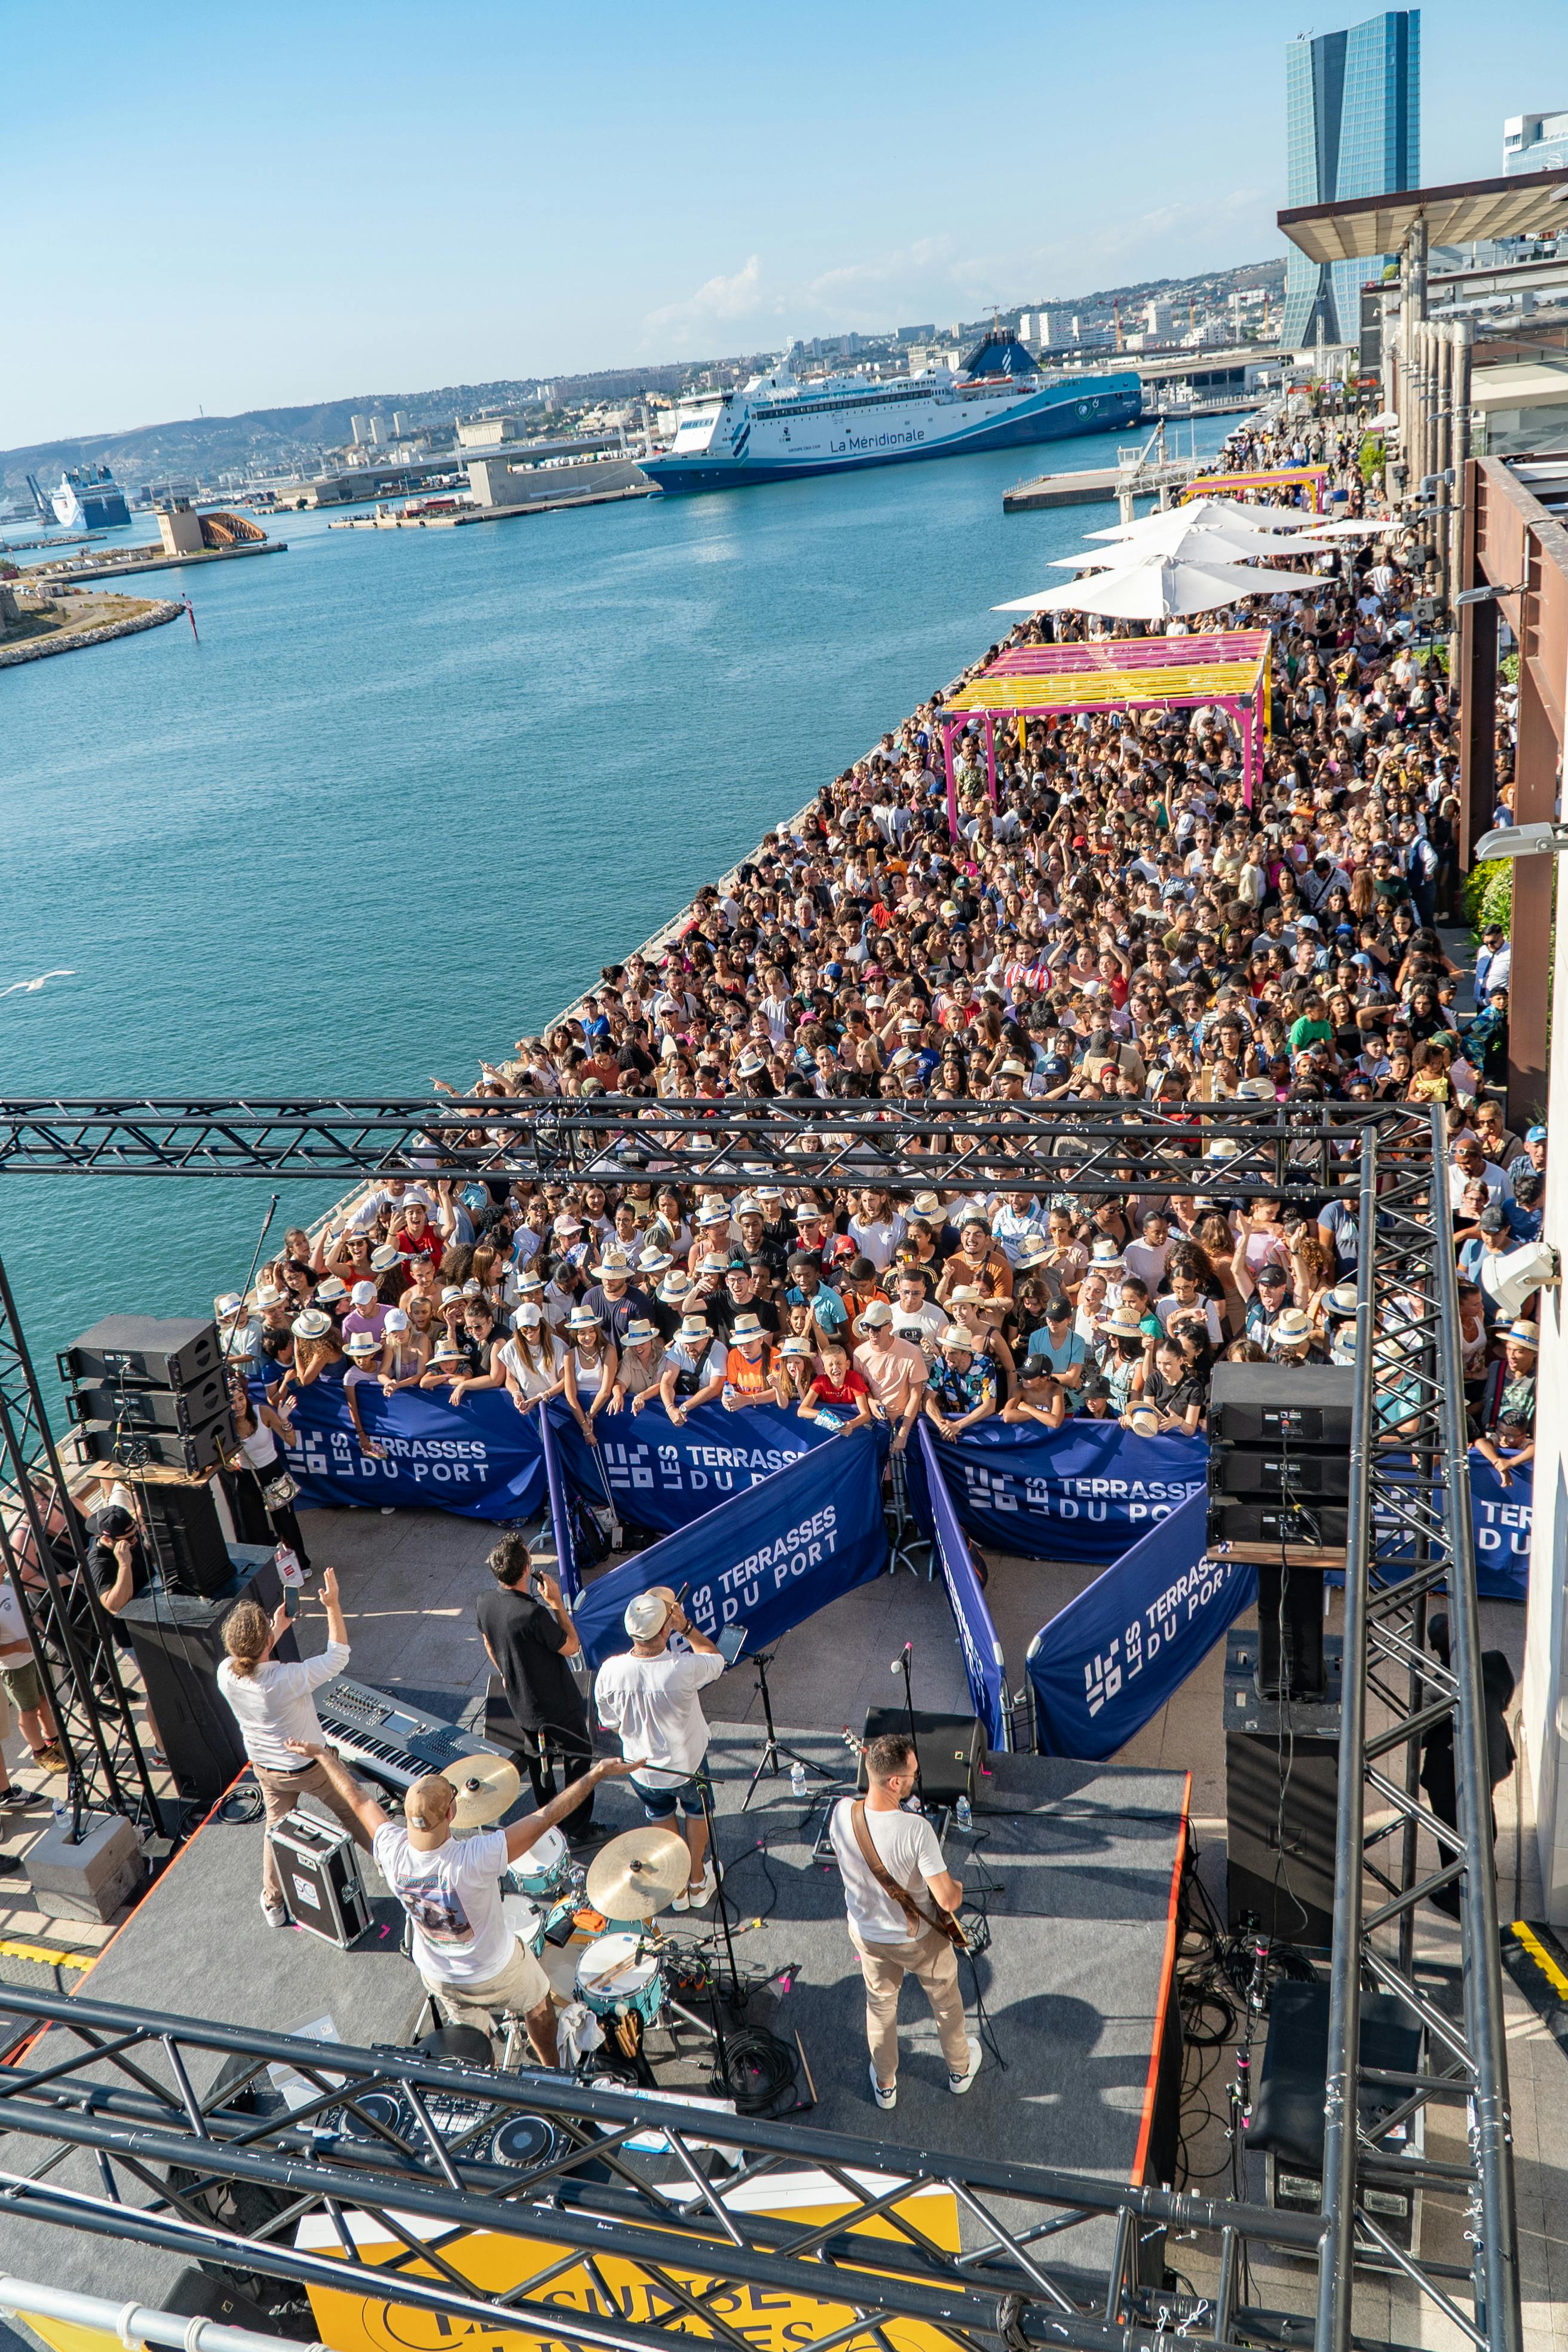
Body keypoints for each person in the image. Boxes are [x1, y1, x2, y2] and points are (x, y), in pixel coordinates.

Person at [290, 1738, 641, 2062]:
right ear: (451, 1814)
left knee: (472, 2031)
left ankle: (479, 2069)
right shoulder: (474, 1858)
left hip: (438, 1973)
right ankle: (551, 2069)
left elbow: (359, 1800)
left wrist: (324, 1757)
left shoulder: (391, 1848)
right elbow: (547, 1816)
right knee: (538, 2004)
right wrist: (596, 1774)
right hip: (496, 1971)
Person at [829, 1730, 981, 2109]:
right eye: (912, 1773)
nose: (916, 1778)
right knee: (946, 2003)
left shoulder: (841, 1812)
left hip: (867, 1933)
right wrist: (957, 1888)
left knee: (880, 2006)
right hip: (916, 1939)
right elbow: (947, 1899)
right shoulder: (916, 1830)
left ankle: (885, 2085)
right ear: (895, 1782)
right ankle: (960, 2070)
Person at [218, 1566, 372, 1926]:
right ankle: (393, 1864)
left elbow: (252, 1660)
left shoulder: (226, 1673)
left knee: (275, 1828)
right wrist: (333, 1605)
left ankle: (273, 1902)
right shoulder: (285, 1680)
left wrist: (276, 1630)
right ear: (267, 1645)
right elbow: (338, 1657)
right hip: (311, 1768)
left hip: (267, 1770)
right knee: (354, 1808)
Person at [595, 1588, 727, 1910]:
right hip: (688, 1764)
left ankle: (678, 1887)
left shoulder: (610, 1671)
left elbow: (608, 1720)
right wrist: (688, 1628)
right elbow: (716, 1658)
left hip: (641, 1770)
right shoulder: (683, 1668)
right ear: (665, 1629)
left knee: (660, 1817)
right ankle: (697, 1879)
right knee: (697, 1814)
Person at [477, 1532, 600, 1843]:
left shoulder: (485, 1602)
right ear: (526, 1570)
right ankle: (578, 1829)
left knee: (538, 1762)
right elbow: (571, 1646)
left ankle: (548, 1824)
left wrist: (505, 1671)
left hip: (521, 1705)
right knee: (579, 1758)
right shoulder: (533, 1614)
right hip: (557, 1706)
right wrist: (557, 1604)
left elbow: (488, 1641)